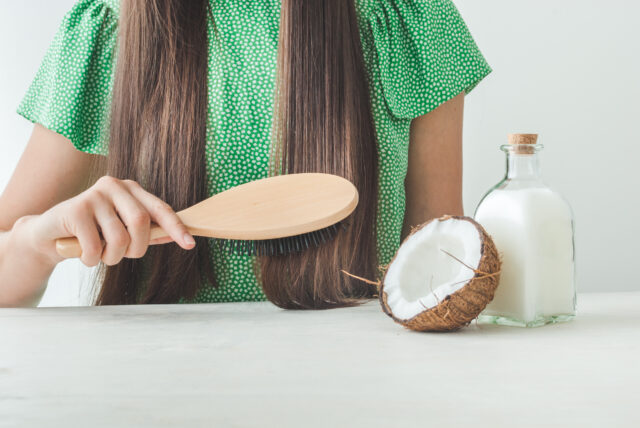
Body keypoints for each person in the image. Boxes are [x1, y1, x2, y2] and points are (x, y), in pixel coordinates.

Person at [0, 0, 491, 308]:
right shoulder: (108, 28)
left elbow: (443, 263)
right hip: (151, 392)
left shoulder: (409, 16)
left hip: (364, 387)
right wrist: (32, 243)